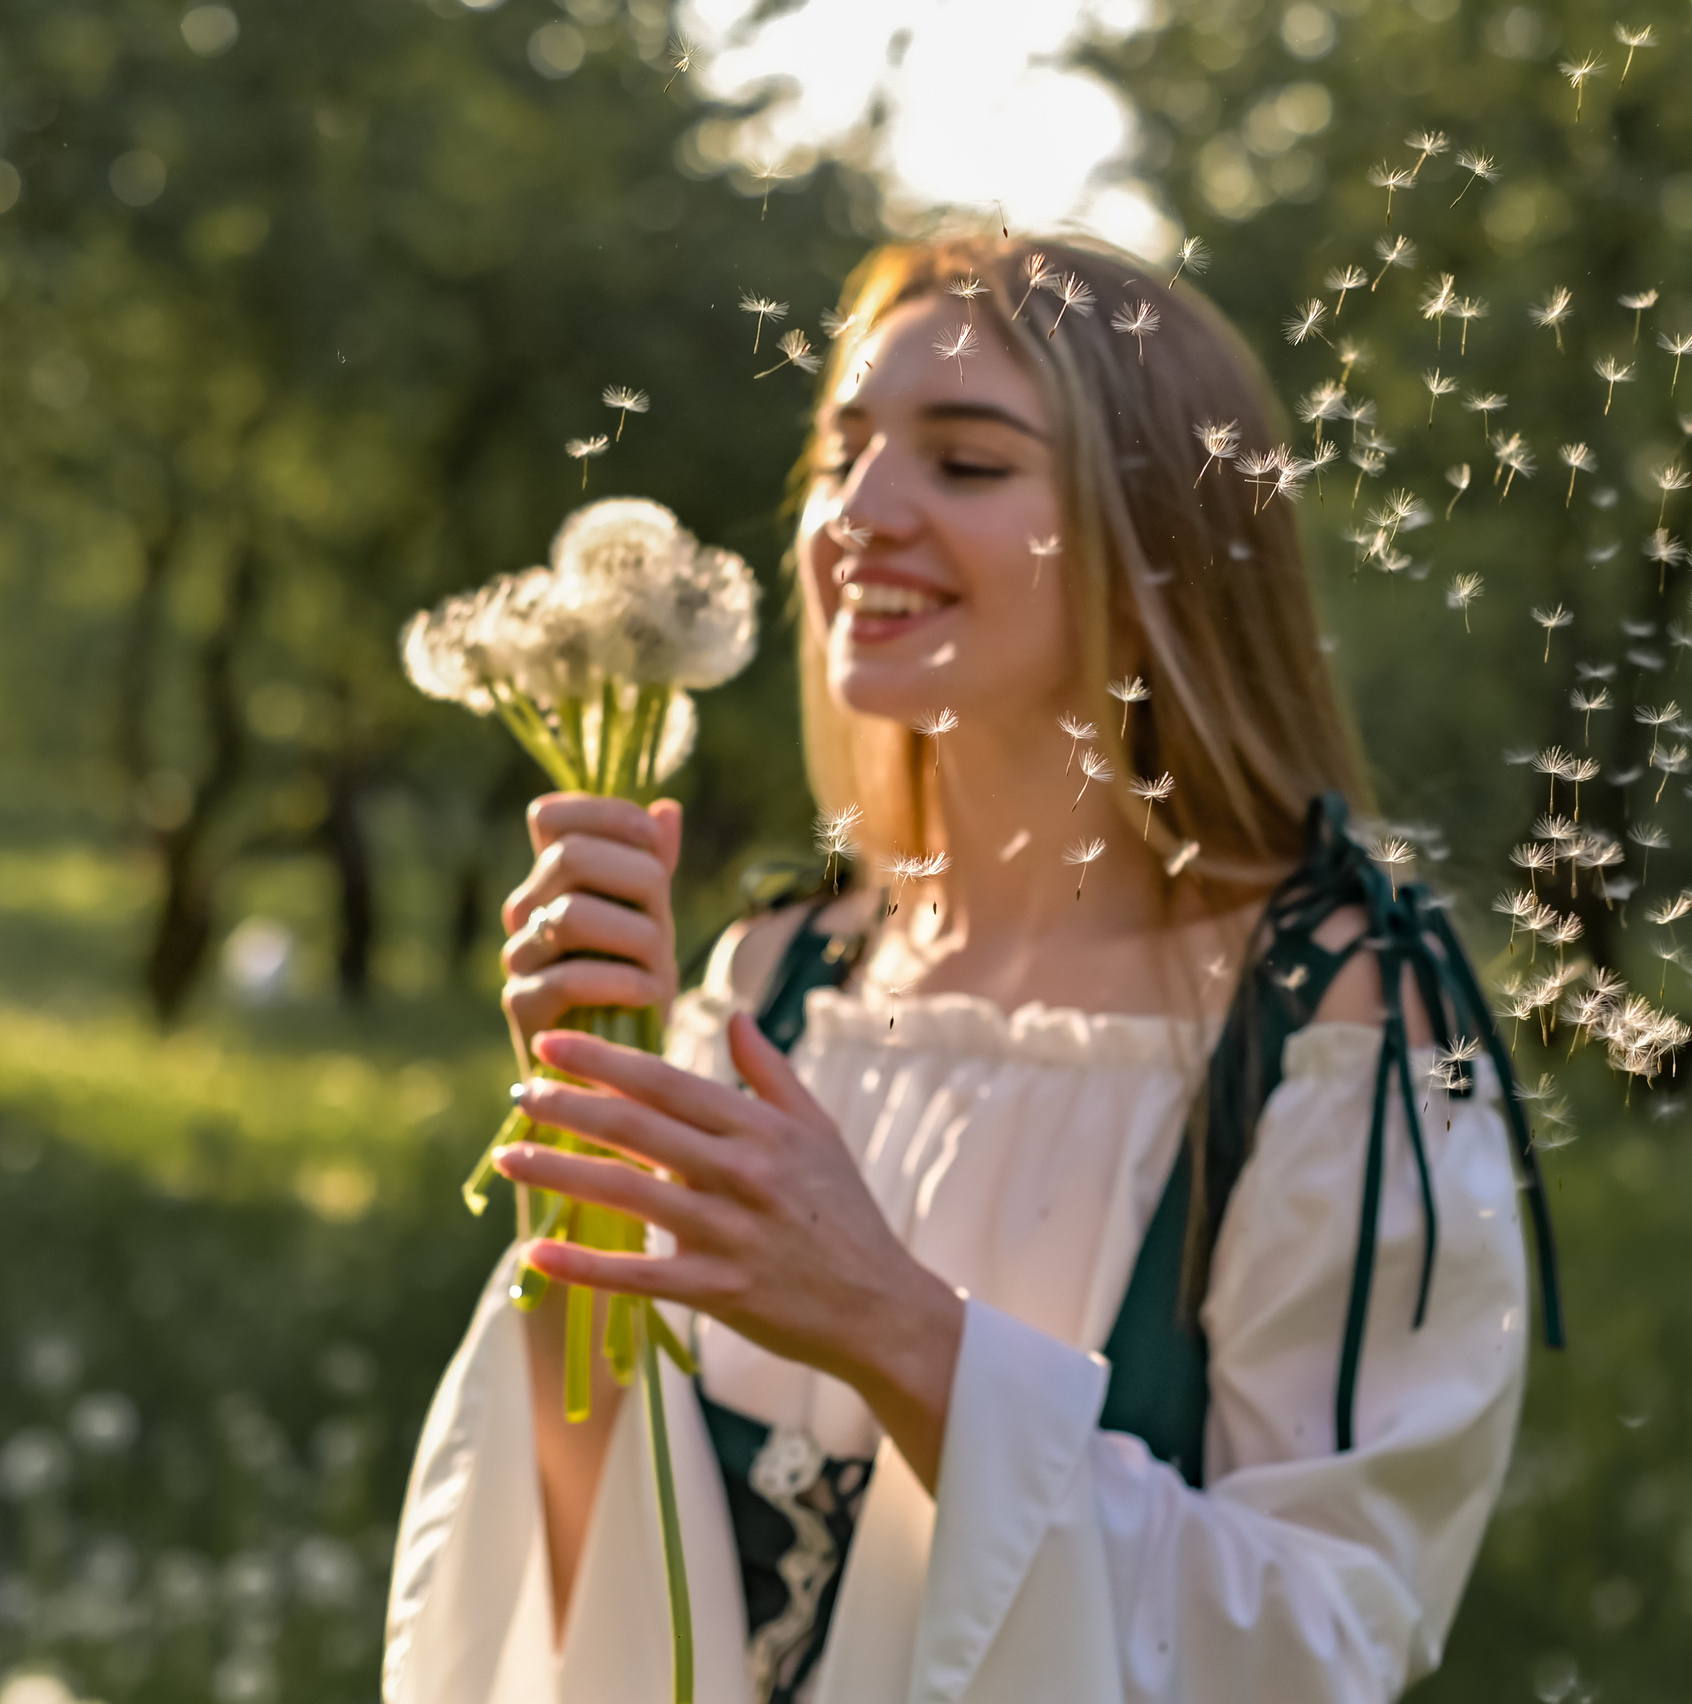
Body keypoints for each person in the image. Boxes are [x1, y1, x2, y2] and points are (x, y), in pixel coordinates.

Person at [382, 232, 1557, 1704]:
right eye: (843, 452)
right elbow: (574, 1566)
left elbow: (1321, 1644)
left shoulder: (1342, 1032)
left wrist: (889, 1322)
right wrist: (576, 1170)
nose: (859, 514)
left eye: (969, 463)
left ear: (1158, 539)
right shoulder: (775, 982)